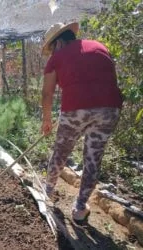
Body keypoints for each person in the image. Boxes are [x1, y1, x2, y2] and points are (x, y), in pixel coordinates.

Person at [41, 22, 123, 222]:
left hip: (76, 108)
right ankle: (79, 208)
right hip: (109, 109)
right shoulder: (99, 46)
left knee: (61, 150)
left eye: (52, 47)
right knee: (93, 157)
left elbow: (47, 92)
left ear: (58, 42)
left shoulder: (57, 57)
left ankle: (48, 191)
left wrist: (46, 120)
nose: (52, 51)